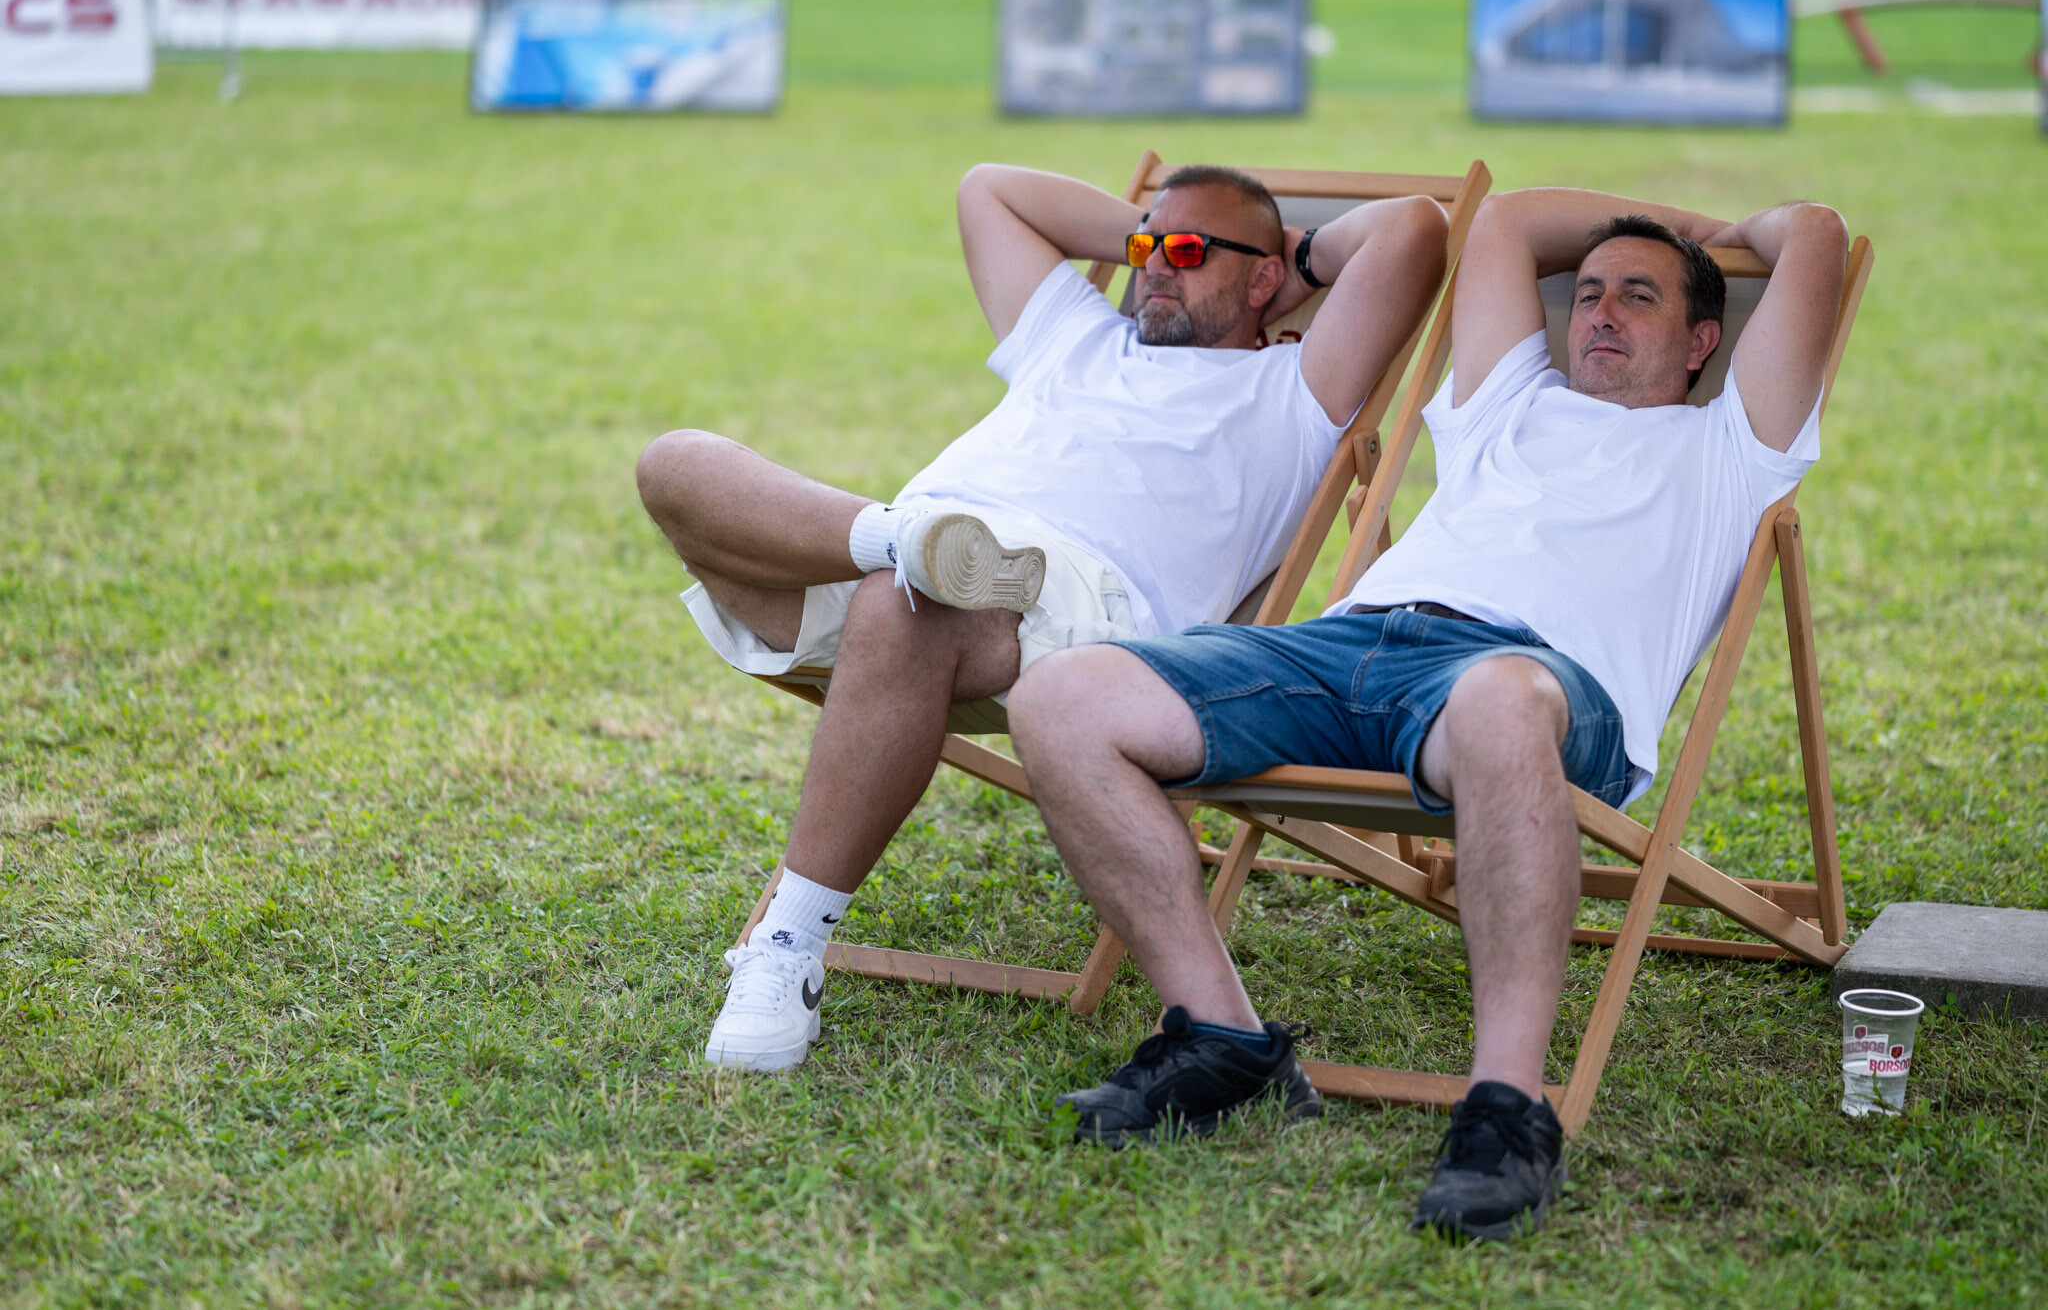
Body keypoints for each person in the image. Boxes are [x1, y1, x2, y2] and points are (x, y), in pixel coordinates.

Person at [1006, 187, 1850, 1241]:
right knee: (1061, 694)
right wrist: (1664, 237)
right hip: (1350, 647)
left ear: (1702, 342)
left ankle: (1506, 1108)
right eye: (1589, 292)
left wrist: (1704, 236)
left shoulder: (1735, 445)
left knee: (1499, 697)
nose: (1599, 311)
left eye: (1639, 297)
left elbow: (1812, 233)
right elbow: (1507, 224)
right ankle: (1222, 1038)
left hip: (1531, 682)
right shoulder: (1508, 401)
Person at [636, 162, 1451, 1072]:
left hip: (1080, 603)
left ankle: (786, 945)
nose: (1154, 266)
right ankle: (906, 538)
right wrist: (1167, 238)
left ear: (1265, 276)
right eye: (1144, 246)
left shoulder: (1295, 390)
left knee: (906, 606)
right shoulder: (1078, 335)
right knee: (675, 462)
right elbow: (988, 189)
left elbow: (1414, 229)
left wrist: (1294, 258)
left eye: (1187, 250)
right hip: (904, 559)